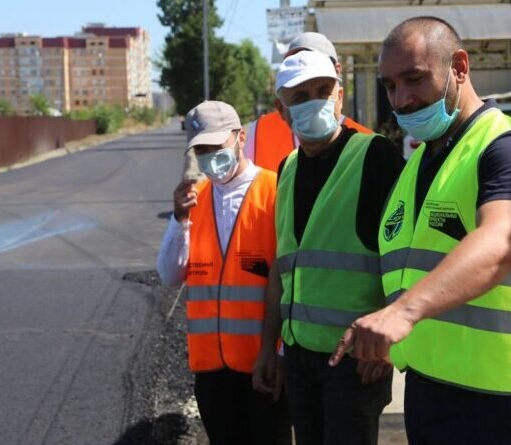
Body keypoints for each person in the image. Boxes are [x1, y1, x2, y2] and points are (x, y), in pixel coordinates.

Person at [330, 16, 511, 445]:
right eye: (389, 85)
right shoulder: (420, 166)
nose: (401, 99)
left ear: (459, 67)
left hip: (496, 404)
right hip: (427, 388)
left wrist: (401, 313)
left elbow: (501, 242)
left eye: (414, 79)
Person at [253, 50, 405, 445]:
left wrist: (387, 338)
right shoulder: (286, 170)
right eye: (300, 97)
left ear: (341, 94)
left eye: (323, 90)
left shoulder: (375, 156)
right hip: (300, 358)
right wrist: (271, 348)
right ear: (281, 110)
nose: (315, 102)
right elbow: (282, 270)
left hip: (355, 359)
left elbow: (405, 256)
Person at [156, 100, 291, 445]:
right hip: (211, 372)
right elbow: (171, 275)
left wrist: (279, 356)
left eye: (216, 147)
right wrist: (178, 220)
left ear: (240, 138)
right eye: (201, 149)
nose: (209, 156)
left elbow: (291, 282)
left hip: (263, 368)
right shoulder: (194, 200)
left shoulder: (275, 191)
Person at [243, 32, 373, 172]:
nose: (303, 67)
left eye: (322, 90)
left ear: (336, 71)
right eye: (293, 65)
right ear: (280, 108)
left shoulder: (369, 147)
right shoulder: (262, 132)